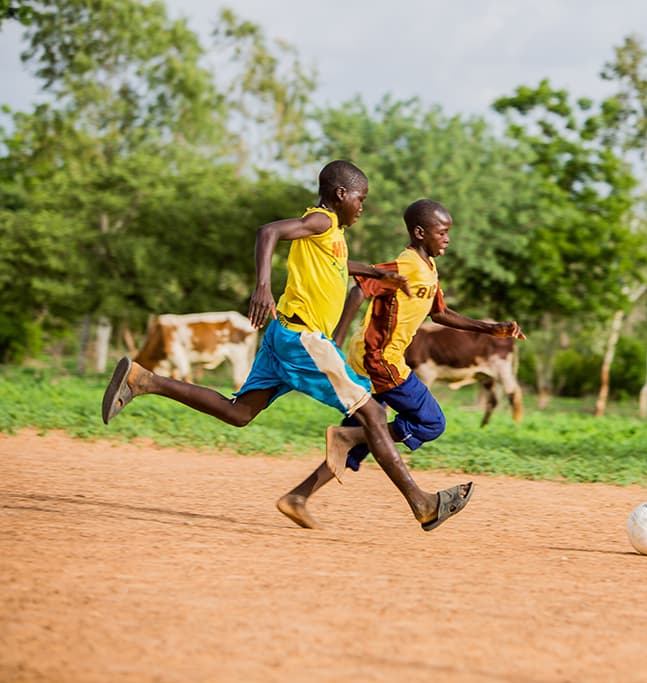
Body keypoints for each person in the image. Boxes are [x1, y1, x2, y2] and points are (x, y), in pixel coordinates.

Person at [101, 161, 475, 532]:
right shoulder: (322, 220)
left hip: (283, 335)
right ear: (341, 195)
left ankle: (144, 380)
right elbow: (268, 232)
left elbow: (338, 265)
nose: (362, 207)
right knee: (374, 416)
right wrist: (262, 286)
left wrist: (377, 273)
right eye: (360, 199)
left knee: (239, 413)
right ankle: (422, 504)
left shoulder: (332, 234)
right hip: (304, 339)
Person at [276, 198, 526, 529]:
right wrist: (335, 340)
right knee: (431, 421)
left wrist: (489, 329)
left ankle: (297, 497)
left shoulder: (429, 270)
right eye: (442, 232)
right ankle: (351, 442)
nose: (447, 238)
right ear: (421, 232)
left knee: (361, 434)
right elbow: (359, 289)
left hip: (377, 360)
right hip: (380, 360)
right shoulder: (405, 265)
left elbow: (440, 313)